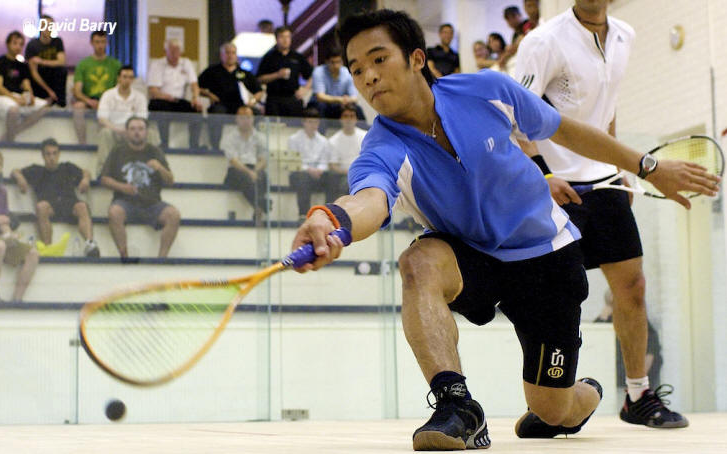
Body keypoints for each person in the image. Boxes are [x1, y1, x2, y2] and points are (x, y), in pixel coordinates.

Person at [290, 9, 718, 451]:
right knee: (417, 262)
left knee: (553, 411)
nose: (368, 77)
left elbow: (567, 131)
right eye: (357, 69)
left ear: (417, 58)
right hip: (472, 254)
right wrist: (330, 220)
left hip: (546, 255)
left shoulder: (486, 91)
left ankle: (582, 394)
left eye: (379, 60)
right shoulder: (381, 145)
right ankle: (457, 405)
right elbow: (368, 199)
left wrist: (648, 167)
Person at [514, 0, 689, 430]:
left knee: (633, 287)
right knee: (559, 301)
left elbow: (607, 110)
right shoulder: (543, 41)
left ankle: (638, 396)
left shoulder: (625, 35)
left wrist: (619, 166)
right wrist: (543, 175)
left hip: (604, 182)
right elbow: (517, 116)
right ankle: (554, 405)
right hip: (555, 187)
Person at [101, 116, 180, 259]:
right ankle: (124, 256)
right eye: (133, 129)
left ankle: (162, 259)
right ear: (127, 132)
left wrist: (160, 168)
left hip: (152, 203)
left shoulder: (155, 151)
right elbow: (104, 179)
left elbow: (170, 181)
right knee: (114, 212)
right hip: (125, 202)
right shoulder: (117, 151)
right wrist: (122, 187)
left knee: (174, 215)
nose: (137, 132)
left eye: (141, 129)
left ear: (146, 132)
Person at [11, 138, 99, 257]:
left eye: (54, 153)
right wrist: (20, 178)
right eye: (48, 154)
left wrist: (86, 179)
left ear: (59, 154)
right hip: (50, 207)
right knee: (41, 206)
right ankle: (48, 248)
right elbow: (15, 171)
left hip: (70, 205)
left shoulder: (67, 167)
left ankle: (90, 244)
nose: (52, 157)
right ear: (43, 155)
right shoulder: (36, 170)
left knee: (82, 206)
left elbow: (86, 172)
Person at [198, 42, 263, 150]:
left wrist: (252, 101)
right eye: (227, 53)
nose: (230, 56)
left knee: (256, 114)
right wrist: (209, 95)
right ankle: (215, 146)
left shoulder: (243, 73)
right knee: (216, 114)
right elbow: (197, 87)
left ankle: (254, 145)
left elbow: (259, 91)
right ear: (221, 55)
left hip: (240, 107)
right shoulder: (212, 71)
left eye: (233, 53)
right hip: (220, 104)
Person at [0, 147, 39, 302]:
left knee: (32, 253)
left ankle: (17, 299)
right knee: (0, 246)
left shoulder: (2, 191)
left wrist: (9, 234)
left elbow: (4, 220)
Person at [147, 39, 203, 149]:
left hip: (178, 101)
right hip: (161, 99)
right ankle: (164, 144)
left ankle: (194, 145)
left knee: (196, 110)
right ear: (166, 51)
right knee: (161, 108)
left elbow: (194, 85)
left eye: (177, 51)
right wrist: (166, 96)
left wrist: (195, 98)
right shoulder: (157, 64)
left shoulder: (186, 63)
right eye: (172, 51)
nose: (175, 54)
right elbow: (153, 90)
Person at [96, 66, 151, 174]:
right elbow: (102, 119)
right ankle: (103, 172)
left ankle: (147, 170)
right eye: (125, 77)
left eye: (130, 77)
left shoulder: (140, 97)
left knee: (151, 133)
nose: (127, 80)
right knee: (105, 133)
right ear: (119, 78)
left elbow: (142, 120)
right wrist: (118, 130)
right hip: (113, 130)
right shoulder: (108, 95)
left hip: (133, 131)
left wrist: (130, 130)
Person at [0, 31, 51, 142]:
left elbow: (26, 85)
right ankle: (10, 140)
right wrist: (15, 99)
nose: (18, 47)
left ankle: (14, 131)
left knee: (45, 107)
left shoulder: (22, 65)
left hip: (18, 97)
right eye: (15, 43)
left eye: (21, 44)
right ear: (8, 44)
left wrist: (30, 97)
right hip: (4, 97)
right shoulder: (0, 62)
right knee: (14, 110)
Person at [220, 106, 269, 223]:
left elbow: (263, 160)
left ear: (253, 119)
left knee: (264, 176)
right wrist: (249, 172)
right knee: (244, 177)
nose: (246, 121)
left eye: (248, 117)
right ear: (237, 119)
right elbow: (233, 160)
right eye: (242, 118)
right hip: (236, 170)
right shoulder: (230, 137)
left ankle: (258, 208)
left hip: (255, 168)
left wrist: (255, 171)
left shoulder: (260, 137)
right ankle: (261, 204)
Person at [72, 31, 122, 144]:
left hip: (108, 101)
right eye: (97, 42)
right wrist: (89, 101)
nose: (100, 45)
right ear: (91, 43)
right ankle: (82, 143)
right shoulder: (83, 64)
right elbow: (77, 91)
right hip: (89, 100)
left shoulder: (115, 64)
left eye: (103, 42)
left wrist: (104, 102)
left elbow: (119, 88)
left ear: (107, 43)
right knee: (78, 107)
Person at [256, 26, 313, 117]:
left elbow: (311, 75)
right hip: (274, 98)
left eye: (288, 37)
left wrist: (305, 89)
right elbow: (260, 79)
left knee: (295, 123)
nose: (285, 40)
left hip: (292, 97)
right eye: (282, 37)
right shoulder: (269, 57)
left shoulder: (297, 57)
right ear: (276, 39)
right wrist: (277, 75)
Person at [288, 108, 333, 220]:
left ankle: (329, 214)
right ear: (303, 122)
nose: (313, 125)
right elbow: (294, 161)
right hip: (299, 173)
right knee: (303, 178)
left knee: (333, 178)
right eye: (310, 122)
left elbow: (325, 161)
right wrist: (309, 169)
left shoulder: (324, 141)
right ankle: (303, 215)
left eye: (315, 122)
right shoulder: (293, 139)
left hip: (318, 174)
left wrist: (320, 169)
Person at [309, 47, 365, 121]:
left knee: (357, 109)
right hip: (321, 104)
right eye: (332, 62)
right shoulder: (319, 71)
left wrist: (346, 100)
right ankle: (322, 129)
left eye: (338, 62)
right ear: (327, 62)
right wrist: (340, 99)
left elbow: (354, 98)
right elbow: (320, 97)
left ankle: (365, 128)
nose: (336, 66)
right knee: (321, 107)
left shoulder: (347, 73)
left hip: (339, 104)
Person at [25, 15, 67, 107]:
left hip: (53, 77)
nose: (48, 28)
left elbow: (61, 61)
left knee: (61, 70)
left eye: (50, 25)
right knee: (29, 73)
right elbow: (33, 72)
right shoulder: (32, 45)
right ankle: (41, 98)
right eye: (45, 25)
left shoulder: (57, 41)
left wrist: (41, 61)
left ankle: (60, 103)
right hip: (39, 80)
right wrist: (49, 91)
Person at [327, 105, 366, 200]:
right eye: (345, 116)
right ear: (340, 119)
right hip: (342, 176)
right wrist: (349, 173)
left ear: (356, 119)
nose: (349, 119)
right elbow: (333, 165)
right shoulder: (333, 140)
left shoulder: (365, 136)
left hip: (362, 175)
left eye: (352, 116)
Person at [498, 6, 531, 73]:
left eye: (513, 16)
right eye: (508, 19)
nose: (511, 21)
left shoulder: (528, 24)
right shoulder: (514, 35)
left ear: (520, 15)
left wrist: (505, 56)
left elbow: (516, 46)